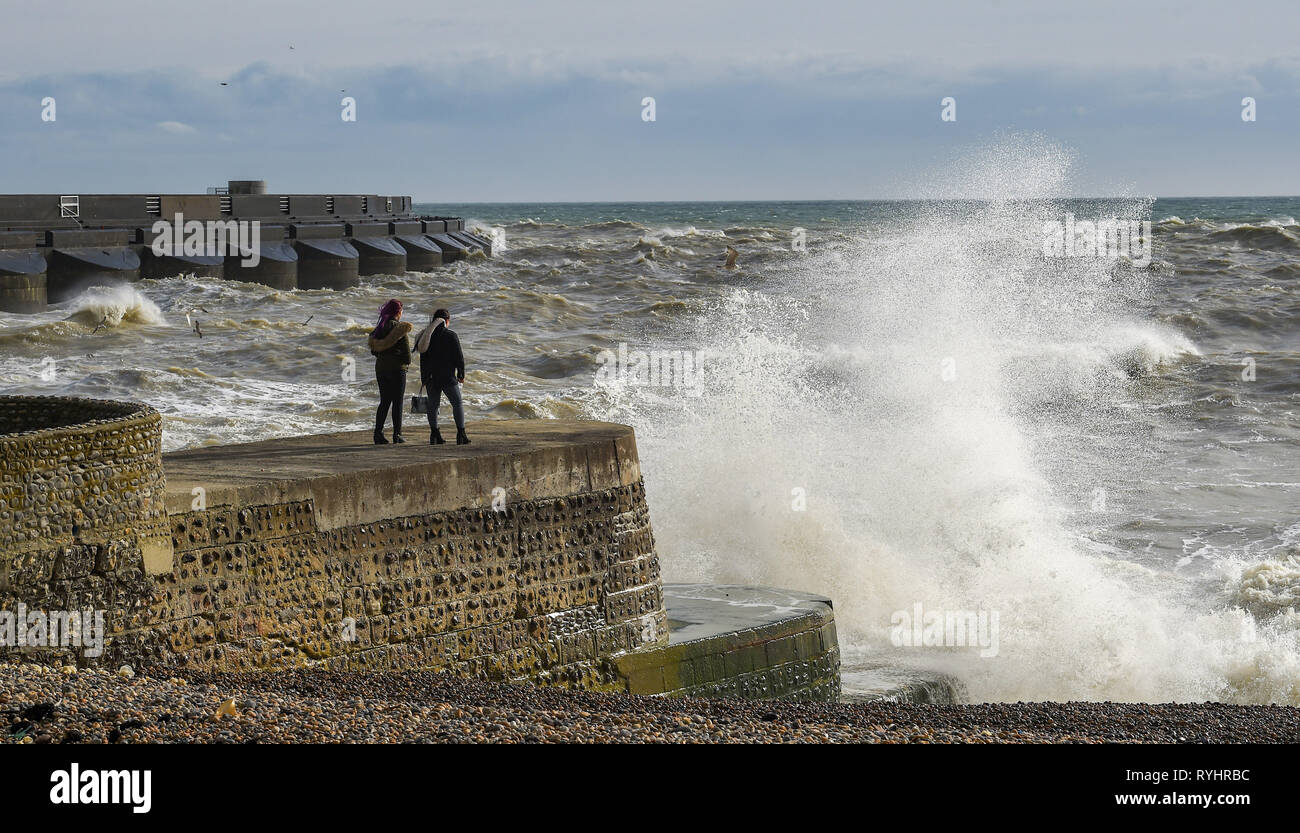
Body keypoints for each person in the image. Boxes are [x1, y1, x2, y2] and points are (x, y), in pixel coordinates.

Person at [414, 307, 469, 445]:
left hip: (431, 377)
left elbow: (423, 359)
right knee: (457, 403)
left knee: (433, 406)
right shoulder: (451, 335)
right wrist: (461, 374)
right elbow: (459, 357)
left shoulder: (425, 336)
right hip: (447, 377)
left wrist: (424, 378)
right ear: (446, 321)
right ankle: (461, 435)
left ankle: (434, 434)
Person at [368, 298, 412, 444]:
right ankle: (397, 435)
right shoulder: (400, 328)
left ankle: (378, 434)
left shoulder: (379, 327)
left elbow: (374, 351)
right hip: (396, 369)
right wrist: (401, 359)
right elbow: (407, 355)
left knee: (384, 402)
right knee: (397, 402)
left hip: (381, 369)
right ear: (398, 312)